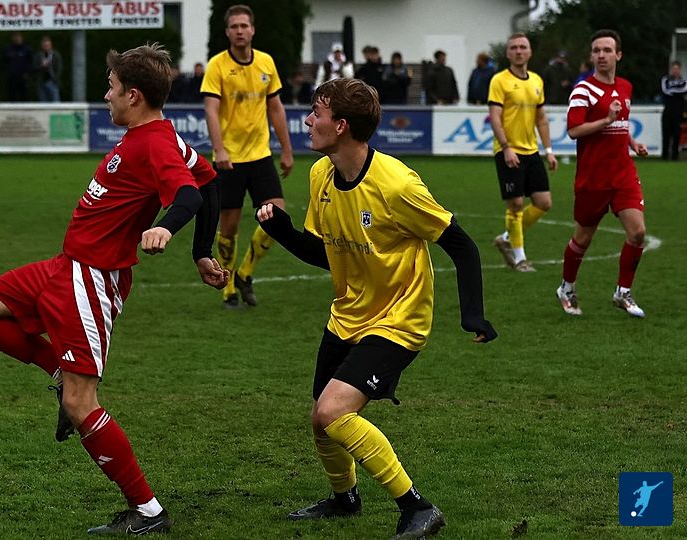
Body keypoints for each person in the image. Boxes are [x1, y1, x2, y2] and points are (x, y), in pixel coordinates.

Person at [0, 43, 228, 535]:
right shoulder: (156, 134)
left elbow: (190, 193)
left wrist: (167, 228)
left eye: (112, 87)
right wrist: (202, 251)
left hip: (91, 279)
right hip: (64, 267)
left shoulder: (156, 144)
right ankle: (58, 370)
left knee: (82, 404)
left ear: (134, 95)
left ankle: (148, 511)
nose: (107, 96)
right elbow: (208, 179)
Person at [255, 77, 496, 539]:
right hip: (348, 312)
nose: (307, 121)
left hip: (399, 319)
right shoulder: (321, 174)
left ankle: (417, 507)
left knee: (333, 413)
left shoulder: (397, 184)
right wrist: (282, 230)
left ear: (341, 126)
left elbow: (462, 245)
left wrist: (472, 313)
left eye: (317, 113)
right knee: (321, 418)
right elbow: (324, 254)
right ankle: (344, 499)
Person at [202, 4, 294, 308]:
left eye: (244, 26)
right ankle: (228, 284)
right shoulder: (217, 65)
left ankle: (245, 273)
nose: (240, 31)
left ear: (252, 30)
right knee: (228, 227)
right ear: (227, 32)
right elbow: (211, 110)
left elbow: (276, 108)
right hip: (229, 159)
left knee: (277, 218)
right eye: (234, 27)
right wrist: (219, 149)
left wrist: (286, 150)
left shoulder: (266, 62)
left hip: (260, 156)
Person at [557, 29, 650, 318]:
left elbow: (621, 124)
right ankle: (566, 288)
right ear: (591, 55)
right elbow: (574, 130)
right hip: (593, 178)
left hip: (623, 174)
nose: (601, 55)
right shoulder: (583, 91)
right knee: (583, 239)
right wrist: (606, 119)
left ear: (618, 55)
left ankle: (623, 292)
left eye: (607, 50)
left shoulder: (625, 87)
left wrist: (632, 143)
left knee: (638, 232)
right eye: (596, 50)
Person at [487, 33, 558, 272]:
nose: (518, 51)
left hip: (532, 151)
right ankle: (520, 259)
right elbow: (495, 117)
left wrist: (549, 151)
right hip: (507, 150)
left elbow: (541, 119)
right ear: (508, 53)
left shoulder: (536, 80)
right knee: (516, 203)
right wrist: (506, 147)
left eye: (523, 47)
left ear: (530, 52)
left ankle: (507, 238)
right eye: (514, 48)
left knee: (544, 203)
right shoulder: (499, 81)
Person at [660, 60, 686, 161]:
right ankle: (665, 155)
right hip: (668, 110)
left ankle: (675, 156)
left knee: (677, 134)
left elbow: (684, 90)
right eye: (673, 69)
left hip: (678, 111)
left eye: (677, 69)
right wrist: (676, 91)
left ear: (680, 70)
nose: (675, 71)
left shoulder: (683, 81)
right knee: (666, 133)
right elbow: (665, 91)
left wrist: (672, 90)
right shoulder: (665, 79)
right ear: (671, 70)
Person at [3, 32, 33, 101]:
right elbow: (4, 61)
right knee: (12, 97)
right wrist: (8, 71)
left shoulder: (27, 48)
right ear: (12, 38)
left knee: (24, 97)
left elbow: (30, 62)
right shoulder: (8, 49)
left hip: (23, 77)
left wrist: (27, 73)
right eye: (15, 37)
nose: (17, 39)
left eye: (18, 37)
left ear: (21, 38)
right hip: (11, 78)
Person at [34, 36, 63, 102]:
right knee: (43, 103)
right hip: (41, 83)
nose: (46, 47)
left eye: (47, 45)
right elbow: (34, 69)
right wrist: (41, 66)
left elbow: (59, 68)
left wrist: (55, 79)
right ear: (42, 46)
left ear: (51, 45)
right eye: (44, 45)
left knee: (55, 102)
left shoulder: (55, 55)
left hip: (53, 83)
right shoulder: (39, 55)